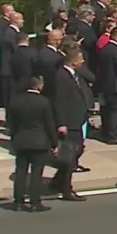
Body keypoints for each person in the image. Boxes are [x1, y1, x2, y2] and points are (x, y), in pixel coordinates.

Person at [7, 75, 58, 211]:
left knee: (21, 172)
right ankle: (35, 202)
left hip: (21, 140)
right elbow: (49, 124)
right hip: (39, 142)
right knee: (36, 173)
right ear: (39, 85)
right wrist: (54, 143)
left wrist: (14, 139)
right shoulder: (44, 102)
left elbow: (12, 123)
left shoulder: (16, 101)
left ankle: (18, 202)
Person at [50, 48, 90, 201]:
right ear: (73, 61)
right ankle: (67, 189)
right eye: (81, 59)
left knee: (76, 152)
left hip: (76, 120)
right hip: (68, 122)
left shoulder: (72, 74)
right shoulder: (61, 77)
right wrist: (61, 123)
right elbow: (58, 101)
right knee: (69, 157)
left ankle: (57, 181)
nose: (83, 61)